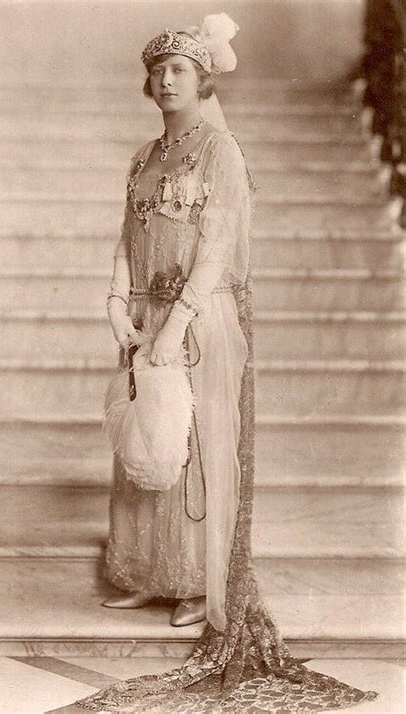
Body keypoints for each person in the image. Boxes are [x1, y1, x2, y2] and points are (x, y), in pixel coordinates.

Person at [68, 13, 378, 713]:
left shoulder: (219, 153)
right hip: (145, 315)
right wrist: (118, 304)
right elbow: (126, 238)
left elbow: (215, 244)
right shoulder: (143, 158)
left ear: (205, 78)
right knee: (145, 439)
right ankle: (145, 570)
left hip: (196, 318)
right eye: (157, 70)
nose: (165, 78)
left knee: (194, 449)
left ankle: (193, 582)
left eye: (178, 68)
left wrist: (176, 325)